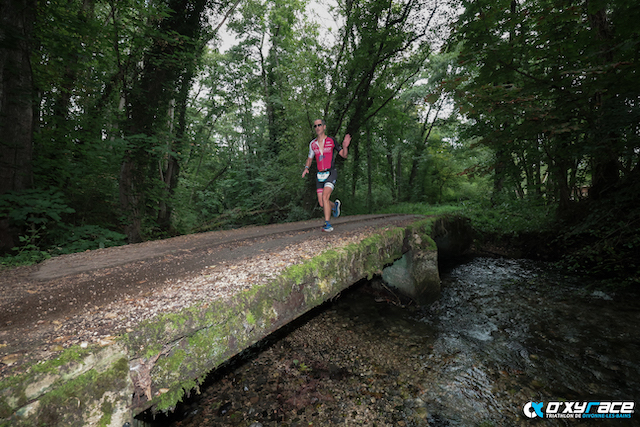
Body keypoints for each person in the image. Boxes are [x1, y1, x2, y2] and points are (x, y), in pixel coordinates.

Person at [302, 119, 351, 232]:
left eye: (319, 125)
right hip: (319, 174)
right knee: (322, 202)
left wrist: (345, 146)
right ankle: (335, 206)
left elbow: (344, 155)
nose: (317, 127)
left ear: (324, 127)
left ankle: (327, 224)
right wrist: (306, 168)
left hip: (331, 172)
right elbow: (310, 158)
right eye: (315, 126)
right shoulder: (312, 144)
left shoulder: (331, 140)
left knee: (325, 197)